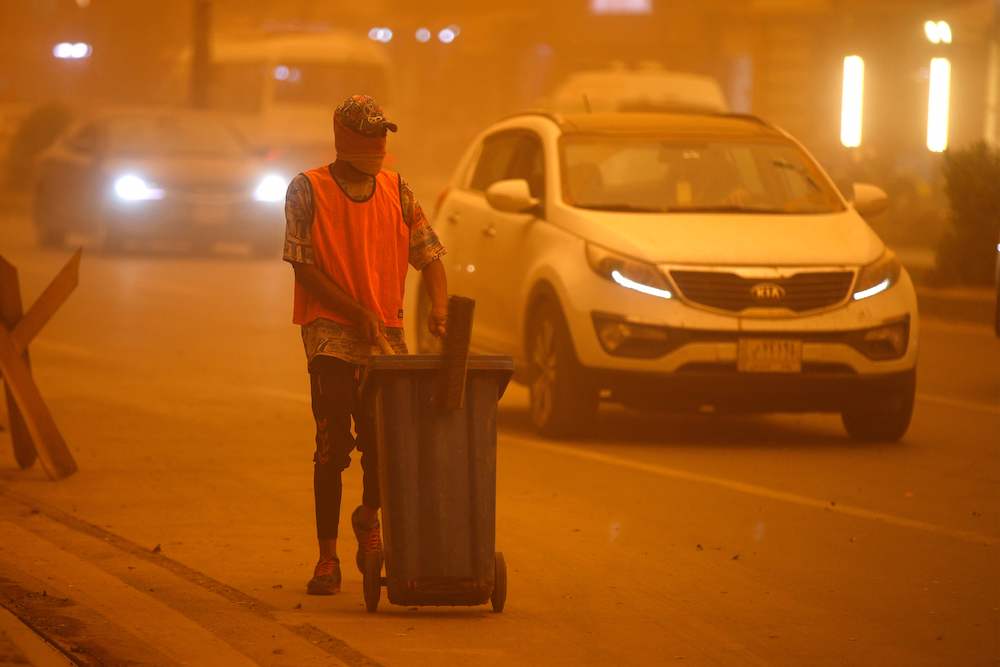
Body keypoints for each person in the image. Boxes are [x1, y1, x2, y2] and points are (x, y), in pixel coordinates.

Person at [283, 94, 449, 595]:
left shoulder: (397, 190)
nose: (380, 146)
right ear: (346, 139)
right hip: (330, 335)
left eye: (384, 136)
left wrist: (439, 306)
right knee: (332, 446)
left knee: (385, 446)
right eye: (372, 136)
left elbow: (431, 254)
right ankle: (327, 558)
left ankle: (369, 516)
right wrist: (356, 313)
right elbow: (302, 265)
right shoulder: (306, 189)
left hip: (386, 341)